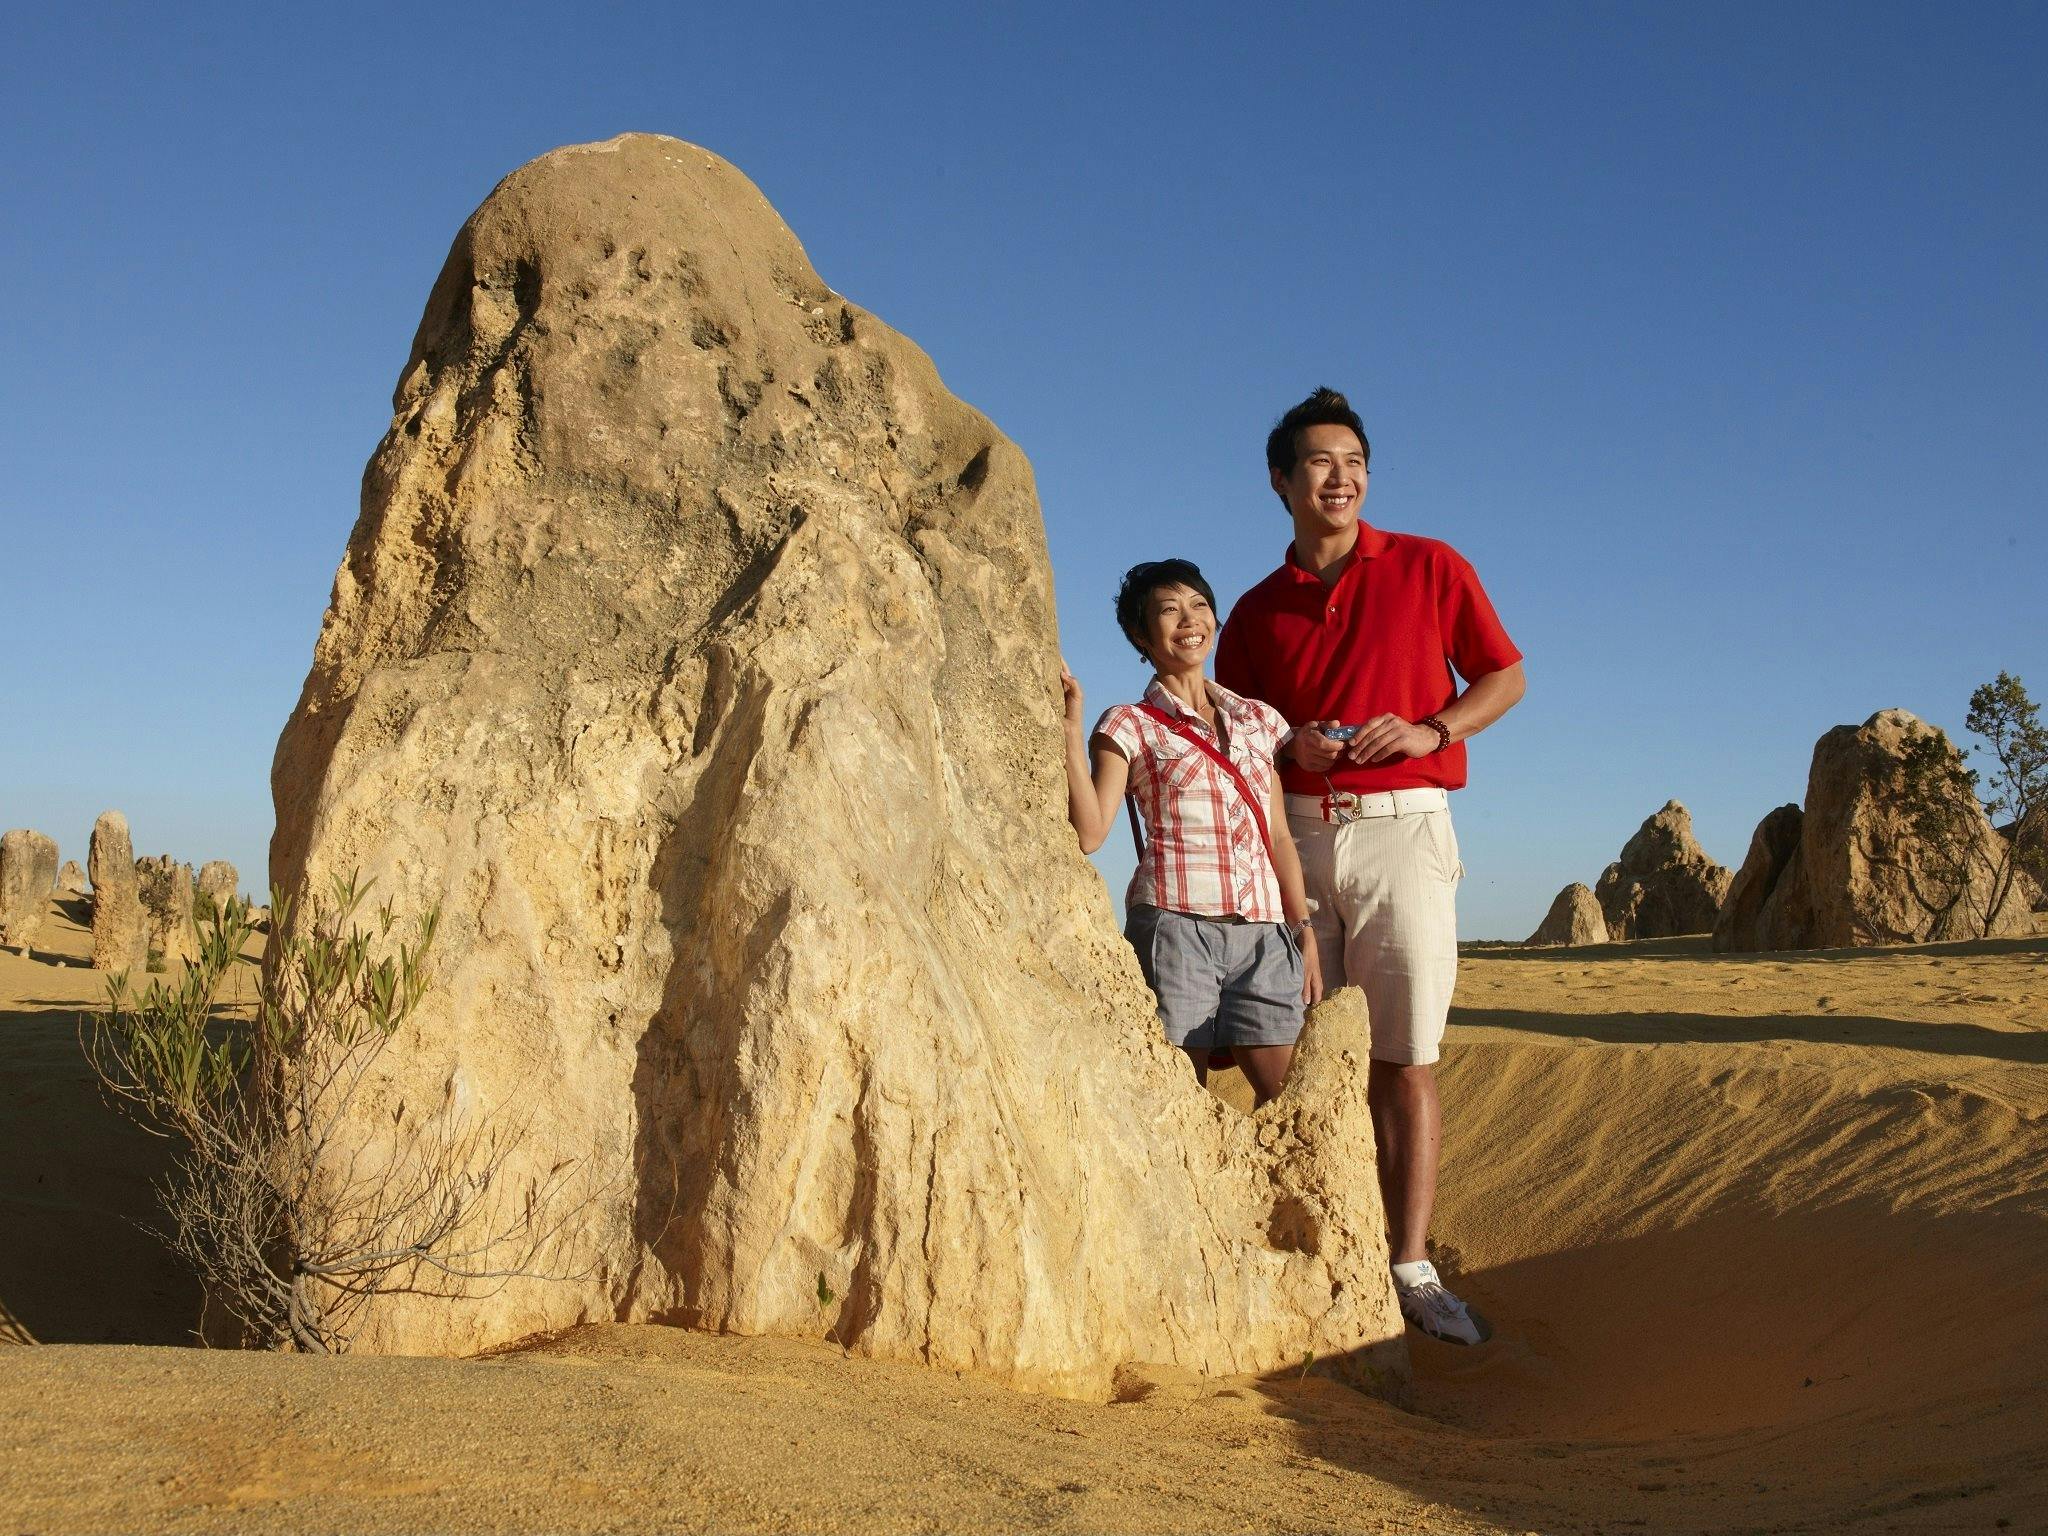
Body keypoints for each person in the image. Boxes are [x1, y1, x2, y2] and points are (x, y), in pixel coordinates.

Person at [1215, 388, 1525, 1346]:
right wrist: (1285, 749)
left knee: (1403, 1058)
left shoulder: (1431, 566)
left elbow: (1505, 676)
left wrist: (1434, 726)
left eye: (1354, 460)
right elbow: (1237, 738)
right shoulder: (1259, 610)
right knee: (1314, 1057)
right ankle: (1337, 1246)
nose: (1341, 476)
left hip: (1405, 830)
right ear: (1281, 481)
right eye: (1319, 462)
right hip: (1300, 839)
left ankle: (1411, 1266)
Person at [1062, 559, 1322, 1106]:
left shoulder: (1259, 720)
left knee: (1290, 1107)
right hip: (1176, 929)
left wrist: (1304, 933)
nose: (1189, 619)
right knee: (1177, 1105)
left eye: (1199, 604)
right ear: (1141, 634)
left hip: (1264, 933)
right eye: (1168, 610)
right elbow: (1090, 832)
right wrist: (1068, 730)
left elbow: (1276, 834)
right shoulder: (1128, 723)